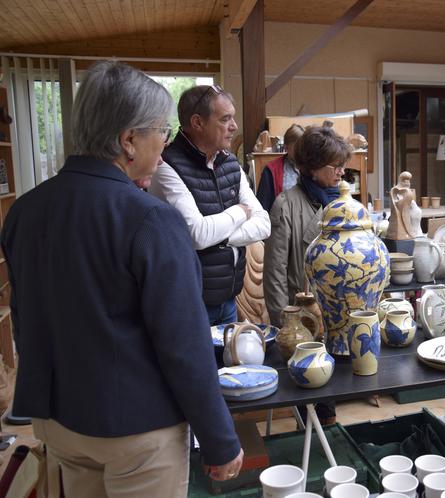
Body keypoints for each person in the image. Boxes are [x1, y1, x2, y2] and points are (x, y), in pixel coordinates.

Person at [0, 61, 243, 497]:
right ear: (128, 140)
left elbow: (26, 319)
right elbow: (183, 345)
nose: (165, 146)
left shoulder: (25, 211)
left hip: (58, 420)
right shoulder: (150, 219)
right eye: (161, 134)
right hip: (136, 430)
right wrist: (219, 440)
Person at [150, 85, 270, 325]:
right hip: (189, 302)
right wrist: (239, 212)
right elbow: (198, 234)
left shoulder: (229, 163)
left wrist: (221, 236)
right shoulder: (166, 167)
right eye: (225, 119)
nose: (234, 126)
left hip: (228, 299)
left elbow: (264, 224)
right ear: (197, 122)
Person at [264, 125, 352, 424]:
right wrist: (285, 324)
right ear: (313, 167)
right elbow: (274, 272)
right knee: (315, 398)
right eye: (336, 166)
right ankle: (320, 439)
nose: (342, 172)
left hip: (340, 310)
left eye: (343, 165)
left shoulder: (343, 203)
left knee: (342, 379)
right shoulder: (286, 204)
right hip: (304, 317)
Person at [256, 123, 304, 211]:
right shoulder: (271, 170)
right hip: (280, 220)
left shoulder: (311, 167)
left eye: (303, 146)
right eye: (296, 146)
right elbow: (262, 205)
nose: (300, 150)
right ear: (286, 146)